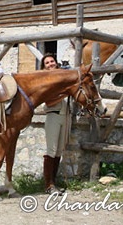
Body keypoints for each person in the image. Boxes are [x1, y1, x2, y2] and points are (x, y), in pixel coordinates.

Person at [40, 53, 70, 195]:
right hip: (53, 115)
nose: (51, 64)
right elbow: (48, 101)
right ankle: (48, 184)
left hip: (64, 115)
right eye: (47, 63)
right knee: (51, 150)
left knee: (58, 151)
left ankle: (54, 182)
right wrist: (66, 93)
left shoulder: (60, 77)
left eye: (52, 61)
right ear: (44, 67)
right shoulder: (46, 81)